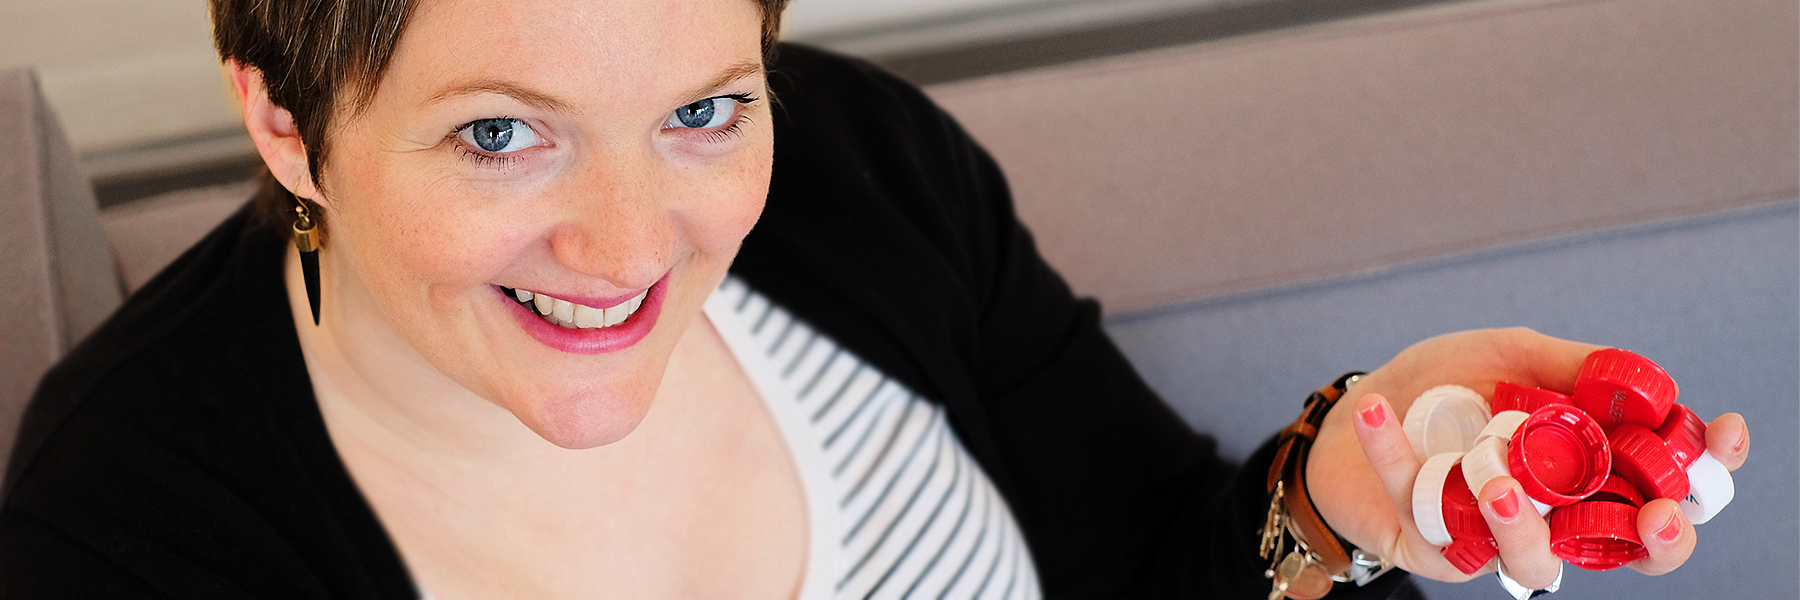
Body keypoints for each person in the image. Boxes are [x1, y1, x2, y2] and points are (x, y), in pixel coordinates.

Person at [0, 0, 1750, 597]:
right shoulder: (134, 520)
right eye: (501, 136)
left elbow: (1152, 563)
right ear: (287, 119)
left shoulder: (861, 171)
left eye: (701, 111)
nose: (631, 249)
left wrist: (1347, 501)